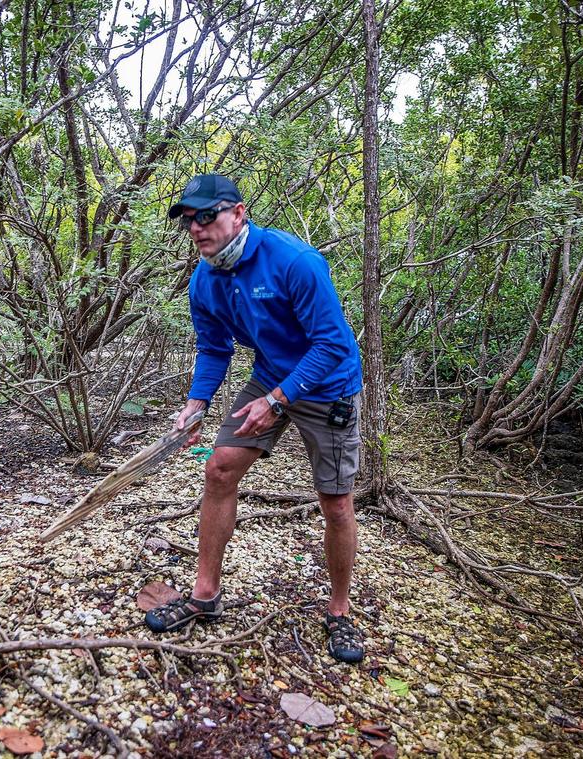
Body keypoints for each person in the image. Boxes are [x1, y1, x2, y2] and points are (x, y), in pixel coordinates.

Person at [143, 174, 366, 664]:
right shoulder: (204, 280)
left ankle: (340, 611)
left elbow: (332, 344)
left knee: (335, 501)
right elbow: (214, 347)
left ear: (238, 213)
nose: (197, 228)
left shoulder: (295, 262)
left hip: (328, 385)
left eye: (207, 216)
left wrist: (279, 400)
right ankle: (205, 595)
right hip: (270, 376)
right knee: (219, 467)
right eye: (188, 221)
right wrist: (197, 403)